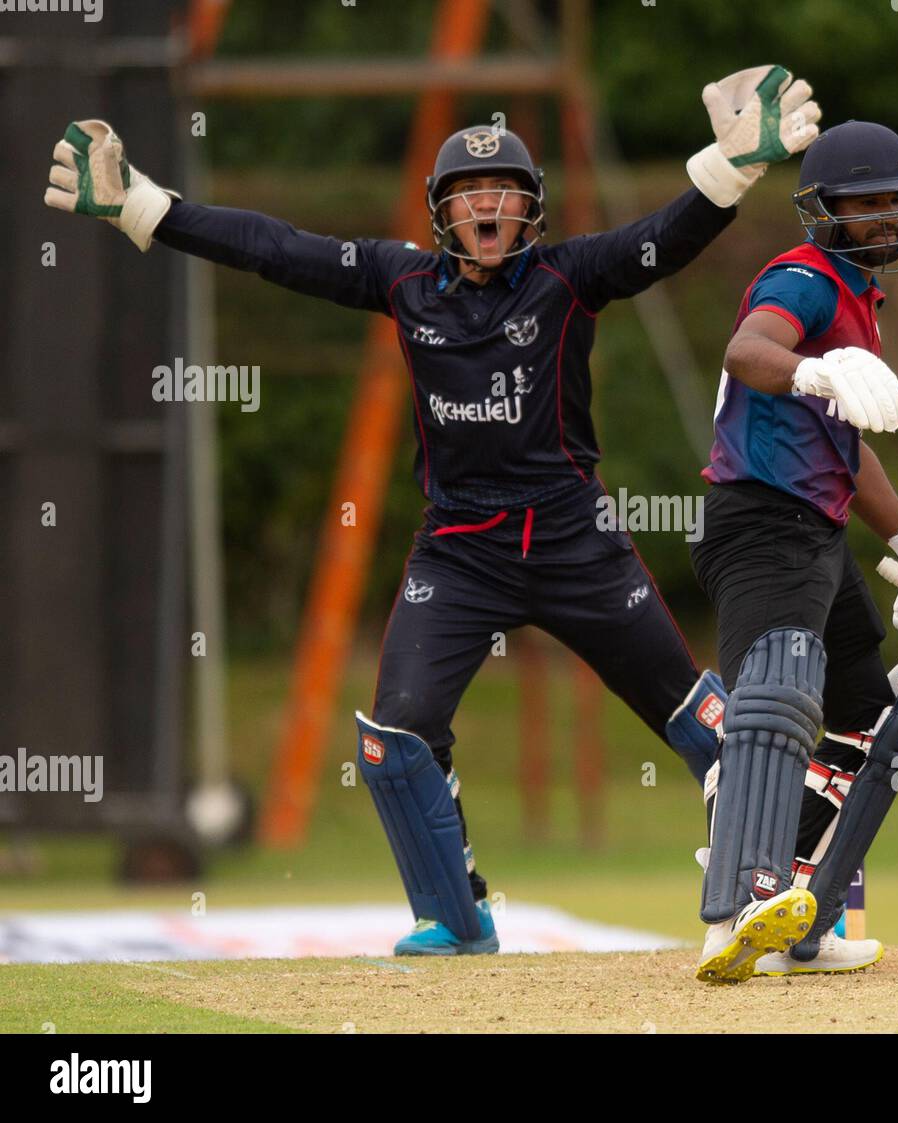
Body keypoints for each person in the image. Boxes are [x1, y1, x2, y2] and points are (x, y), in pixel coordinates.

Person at [44, 66, 821, 956]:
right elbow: (275, 246)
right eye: (466, 194)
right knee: (394, 738)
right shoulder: (402, 282)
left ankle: (800, 892)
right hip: (458, 551)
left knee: (707, 725)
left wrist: (727, 172)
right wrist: (146, 206)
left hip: (575, 541)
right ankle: (456, 916)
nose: (485, 209)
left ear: (532, 207)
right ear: (439, 211)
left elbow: (663, 238)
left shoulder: (569, 277)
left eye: (503, 192)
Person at [690, 121, 898, 984]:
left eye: (894, 202)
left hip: (818, 529)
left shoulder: (857, 304)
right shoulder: (803, 279)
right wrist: (809, 370)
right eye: (865, 203)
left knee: (869, 723)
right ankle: (734, 906)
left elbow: (847, 450)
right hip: (762, 521)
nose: (884, 217)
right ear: (826, 211)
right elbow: (747, 349)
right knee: (775, 705)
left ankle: (808, 918)